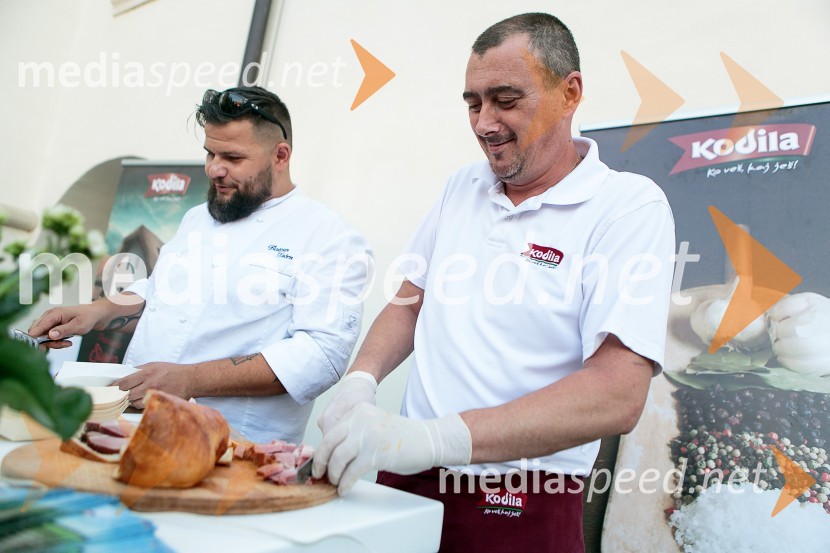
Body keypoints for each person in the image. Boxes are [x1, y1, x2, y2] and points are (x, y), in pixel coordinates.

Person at [312, 13, 675, 552]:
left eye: (505, 100)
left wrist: (436, 437)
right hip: (407, 478)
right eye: (472, 102)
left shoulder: (626, 207)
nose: (484, 123)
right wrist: (360, 381)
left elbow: (618, 393)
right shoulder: (464, 186)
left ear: (569, 92)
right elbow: (411, 300)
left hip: (521, 497)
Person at [30, 86, 372, 444]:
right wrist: (98, 311)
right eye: (209, 153)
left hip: (232, 444)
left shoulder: (330, 237)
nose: (214, 169)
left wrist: (190, 379)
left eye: (232, 158)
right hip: (132, 423)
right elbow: (160, 293)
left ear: (280, 156)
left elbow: (321, 356)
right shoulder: (196, 218)